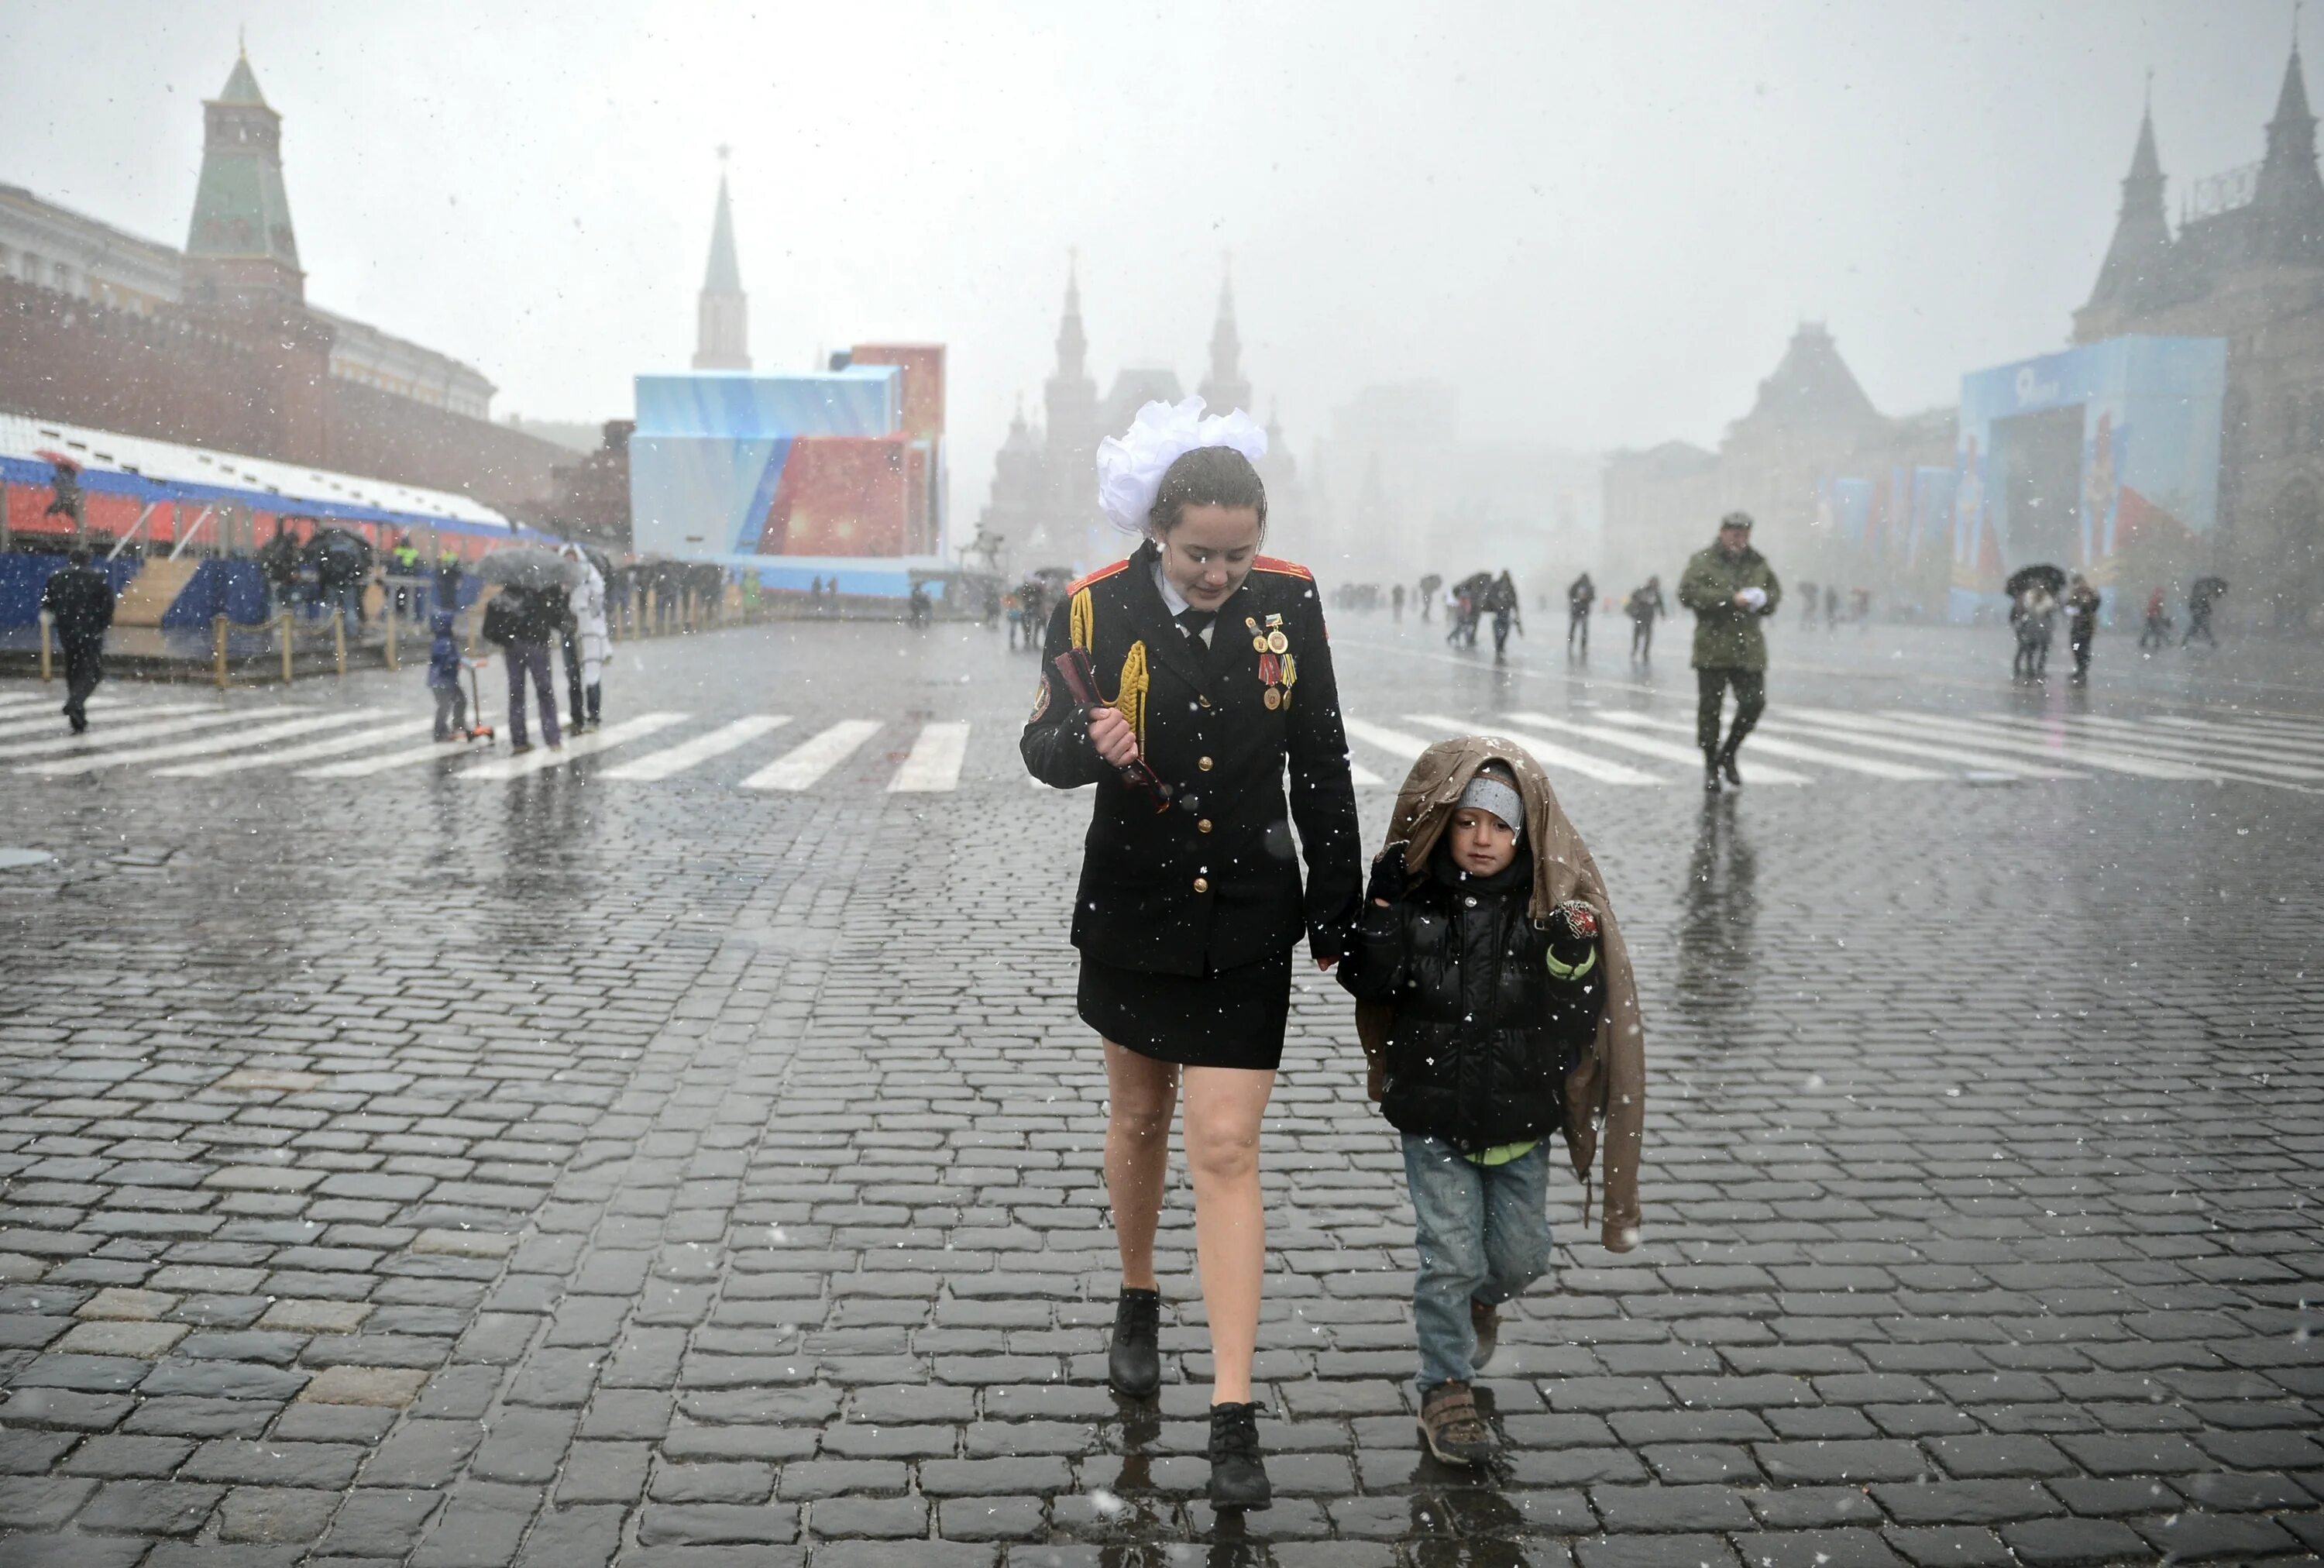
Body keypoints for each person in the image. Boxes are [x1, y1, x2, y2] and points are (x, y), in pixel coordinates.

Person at [1020, 401, 1361, 1511]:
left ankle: (1230, 1405)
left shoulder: (1291, 600)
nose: (1220, 575)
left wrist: (1337, 897)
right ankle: (1135, 1291)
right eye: (1199, 554)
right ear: (1158, 531)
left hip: (1251, 909)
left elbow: (1319, 754)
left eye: (1237, 553)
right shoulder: (1092, 607)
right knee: (1138, 1117)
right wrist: (1087, 743)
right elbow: (1040, 744)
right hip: (1137, 902)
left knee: (1225, 1146)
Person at [1339, 743, 1643, 1466]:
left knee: (1519, 1257)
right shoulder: (1419, 904)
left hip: (1519, 1121)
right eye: (1468, 822)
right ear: (1443, 826)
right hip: (1435, 1119)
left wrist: (1571, 958)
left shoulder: (1545, 913)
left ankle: (1484, 1299)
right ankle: (1444, 1385)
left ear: (1525, 836)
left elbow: (1573, 1022)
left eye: (1499, 827)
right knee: (1447, 1254)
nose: (1482, 839)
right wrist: (1380, 907)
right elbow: (1369, 981)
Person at [1679, 511, 1781, 793]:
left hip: (1748, 648)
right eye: (1735, 533)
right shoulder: (1703, 561)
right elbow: (1687, 594)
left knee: (1754, 704)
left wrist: (1763, 600)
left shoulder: (1758, 563)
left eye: (1745, 533)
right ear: (1723, 532)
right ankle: (1711, 764)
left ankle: (1729, 751)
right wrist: (1728, 600)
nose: (1740, 538)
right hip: (1713, 647)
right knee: (1710, 710)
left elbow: (1774, 594)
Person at [40, 548, 115, 734]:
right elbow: (108, 607)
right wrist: (101, 626)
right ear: (88, 560)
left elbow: (47, 605)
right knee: (94, 672)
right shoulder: (97, 578)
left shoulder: (57, 578)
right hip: (90, 633)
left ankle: (78, 718)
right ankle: (75, 703)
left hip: (67, 632)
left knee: (73, 671)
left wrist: (58, 621)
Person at [481, 585, 562, 755]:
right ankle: (552, 738)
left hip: (514, 649)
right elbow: (555, 618)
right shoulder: (539, 596)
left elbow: (488, 630)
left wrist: (507, 638)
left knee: (517, 694)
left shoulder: (501, 600)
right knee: (544, 692)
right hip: (537, 647)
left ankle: (519, 741)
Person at [566, 546, 610, 731]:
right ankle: (577, 717)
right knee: (573, 675)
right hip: (570, 630)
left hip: (589, 631)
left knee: (592, 673)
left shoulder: (589, 575)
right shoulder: (562, 577)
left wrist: (587, 613)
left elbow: (597, 600)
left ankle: (593, 716)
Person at [427, 610, 467, 741]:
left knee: (458, 701)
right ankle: (441, 731)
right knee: (445, 705)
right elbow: (445, 659)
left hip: (445, 680)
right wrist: (456, 661)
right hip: (443, 681)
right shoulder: (445, 643)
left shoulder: (443, 641)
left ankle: (456, 726)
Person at [2064, 574, 2102, 685]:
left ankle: (2083, 671)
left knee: (2084, 649)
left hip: (2086, 627)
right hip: (2077, 627)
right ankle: (2079, 669)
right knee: (2075, 648)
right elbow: (2068, 608)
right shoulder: (2074, 594)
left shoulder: (2090, 593)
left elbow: (2094, 606)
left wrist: (2090, 600)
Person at [1625, 576, 1665, 661]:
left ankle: (1644, 652)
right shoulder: (1644, 590)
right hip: (1640, 615)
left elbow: (1660, 604)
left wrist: (1662, 613)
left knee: (1646, 634)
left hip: (1647, 617)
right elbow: (1634, 596)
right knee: (1639, 633)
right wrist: (1641, 599)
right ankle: (1636, 650)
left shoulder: (1655, 593)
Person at [1489, 571, 1523, 658]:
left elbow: (1514, 601)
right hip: (1500, 612)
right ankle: (1500, 647)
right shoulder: (1504, 586)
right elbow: (1514, 601)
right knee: (1502, 631)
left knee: (1501, 632)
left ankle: (1499, 647)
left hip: (1501, 612)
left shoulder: (1505, 586)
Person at [2183, 579, 2223, 647]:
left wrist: (2206, 609)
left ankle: (2185, 642)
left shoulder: (2200, 591)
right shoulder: (2202, 592)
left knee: (2197, 627)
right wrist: (2206, 609)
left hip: (2198, 611)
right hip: (2199, 611)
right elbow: (2203, 602)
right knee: (2202, 627)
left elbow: (2202, 602)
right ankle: (2212, 643)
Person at [1565, 572, 1594, 654]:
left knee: (1573, 628)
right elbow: (1592, 597)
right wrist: (1585, 600)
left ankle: (1570, 642)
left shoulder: (1576, 585)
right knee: (1584, 630)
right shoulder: (1589, 586)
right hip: (1584, 610)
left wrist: (1575, 601)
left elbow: (1570, 593)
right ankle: (1583, 646)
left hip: (1576, 609)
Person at [2138, 587, 2173, 652]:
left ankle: (2144, 642)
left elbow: (2152, 608)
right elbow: (2156, 609)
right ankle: (2160, 643)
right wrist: (2157, 616)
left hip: (2151, 617)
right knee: (2158, 631)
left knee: (2151, 630)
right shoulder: (2158, 599)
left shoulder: (2154, 598)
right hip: (2154, 617)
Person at [435, 546, 465, 617]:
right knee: (451, 595)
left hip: (446, 580)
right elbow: (458, 569)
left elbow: (439, 569)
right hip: (451, 580)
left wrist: (440, 578)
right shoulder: (454, 557)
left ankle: (446, 609)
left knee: (446, 595)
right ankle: (450, 609)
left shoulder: (443, 557)